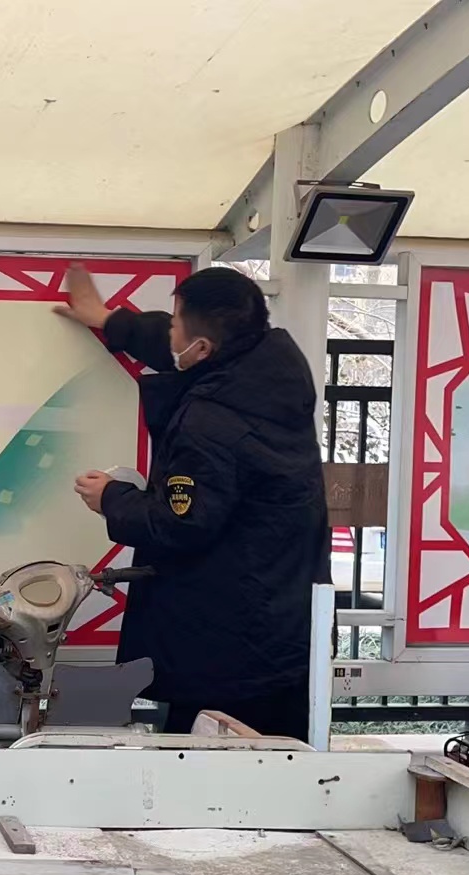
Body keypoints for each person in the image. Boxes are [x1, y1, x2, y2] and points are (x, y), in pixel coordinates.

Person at [61, 264, 330, 742]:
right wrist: (111, 321)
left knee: (215, 760)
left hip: (229, 644)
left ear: (202, 348)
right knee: (282, 752)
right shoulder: (274, 368)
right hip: (280, 624)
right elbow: (182, 349)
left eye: (175, 324)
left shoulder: (212, 424)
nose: (169, 331)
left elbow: (180, 524)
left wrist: (112, 498)